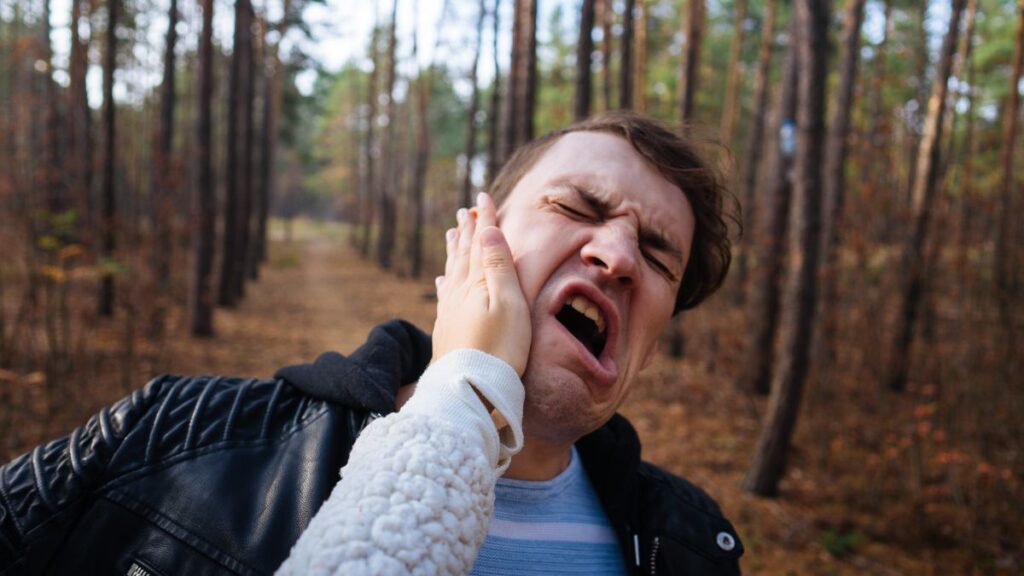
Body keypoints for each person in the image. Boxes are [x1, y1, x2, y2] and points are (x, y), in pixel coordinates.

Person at [0, 111, 743, 575]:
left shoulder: (691, 546)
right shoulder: (169, 439)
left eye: (657, 255)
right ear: (476, 238)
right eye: (578, 205)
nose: (616, 256)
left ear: (648, 346)